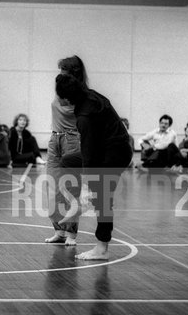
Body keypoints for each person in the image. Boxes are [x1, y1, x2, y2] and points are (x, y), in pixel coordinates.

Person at [55, 73, 132, 260]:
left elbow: (89, 154)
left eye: (58, 96)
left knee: (103, 199)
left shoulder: (84, 117)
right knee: (68, 161)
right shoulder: (89, 95)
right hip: (105, 148)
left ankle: (102, 248)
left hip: (114, 154)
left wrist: (88, 188)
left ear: (66, 98)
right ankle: (77, 203)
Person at [46, 56, 88, 246]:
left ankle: (71, 234)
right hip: (55, 139)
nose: (60, 73)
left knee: (70, 188)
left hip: (72, 140)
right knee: (54, 186)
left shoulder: (81, 93)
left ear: (73, 73)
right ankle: (59, 231)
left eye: (63, 70)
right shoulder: (59, 88)